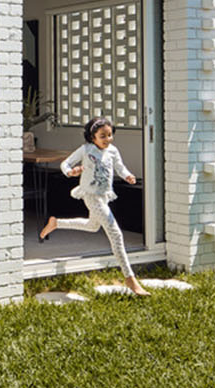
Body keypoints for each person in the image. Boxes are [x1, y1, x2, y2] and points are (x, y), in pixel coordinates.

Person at [38, 116, 148, 296]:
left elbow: (120, 167)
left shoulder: (113, 151)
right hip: (90, 195)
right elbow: (65, 163)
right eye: (103, 136)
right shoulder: (86, 150)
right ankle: (130, 278)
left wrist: (128, 176)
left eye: (110, 135)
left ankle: (56, 223)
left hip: (104, 196)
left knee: (92, 226)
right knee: (116, 233)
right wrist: (70, 172)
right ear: (92, 137)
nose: (107, 139)